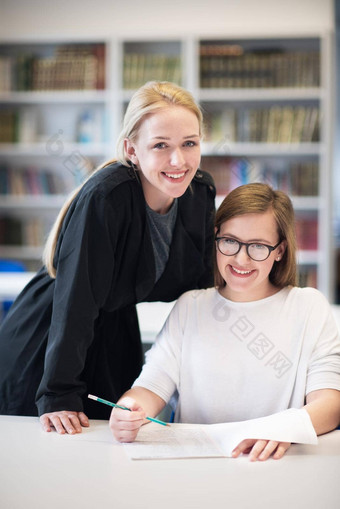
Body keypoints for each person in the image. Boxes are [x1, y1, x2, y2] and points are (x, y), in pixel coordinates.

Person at [0, 81, 216, 434]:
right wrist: (58, 392)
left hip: (114, 329)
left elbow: (203, 290)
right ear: (132, 149)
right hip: (50, 337)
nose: (179, 160)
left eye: (189, 143)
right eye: (160, 145)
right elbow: (77, 301)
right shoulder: (107, 197)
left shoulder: (199, 194)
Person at [110, 183, 340, 461]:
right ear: (216, 238)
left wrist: (281, 429)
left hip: (270, 466)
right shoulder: (190, 306)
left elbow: (330, 404)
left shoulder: (308, 307)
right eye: (230, 241)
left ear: (280, 250)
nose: (240, 259)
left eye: (257, 246)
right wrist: (129, 409)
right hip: (196, 468)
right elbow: (150, 386)